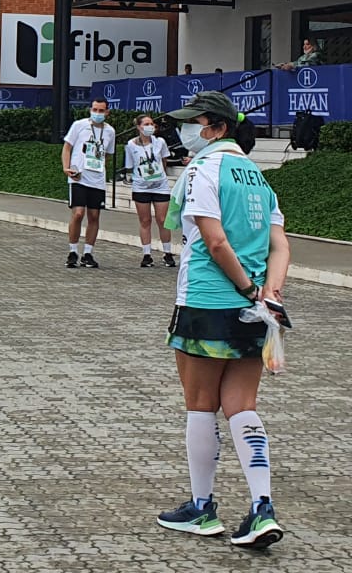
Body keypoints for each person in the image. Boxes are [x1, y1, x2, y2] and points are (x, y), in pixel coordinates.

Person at [156, 91, 289, 549]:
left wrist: (249, 290)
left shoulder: (202, 170)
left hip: (206, 301)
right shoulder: (257, 175)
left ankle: (201, 507)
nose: (184, 130)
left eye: (192, 122)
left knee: (199, 403)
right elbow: (280, 245)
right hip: (254, 311)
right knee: (243, 406)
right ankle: (261, 506)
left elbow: (213, 242)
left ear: (214, 126)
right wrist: (268, 292)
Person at [62, 98, 116, 268]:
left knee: (94, 216)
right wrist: (67, 167)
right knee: (78, 213)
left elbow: (108, 153)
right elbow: (67, 147)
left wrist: (100, 165)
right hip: (79, 176)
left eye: (101, 110)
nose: (97, 113)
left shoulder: (110, 131)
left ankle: (88, 253)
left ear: (107, 112)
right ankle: (72, 251)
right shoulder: (79, 125)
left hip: (97, 179)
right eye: (95, 109)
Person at [126, 114, 175, 268]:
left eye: (152, 123)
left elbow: (164, 160)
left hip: (160, 185)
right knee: (145, 220)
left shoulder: (160, 142)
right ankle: (147, 254)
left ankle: (167, 252)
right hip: (141, 186)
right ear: (139, 127)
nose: (150, 126)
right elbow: (130, 165)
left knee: (162, 219)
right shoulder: (131, 145)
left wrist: (161, 174)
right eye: (146, 124)